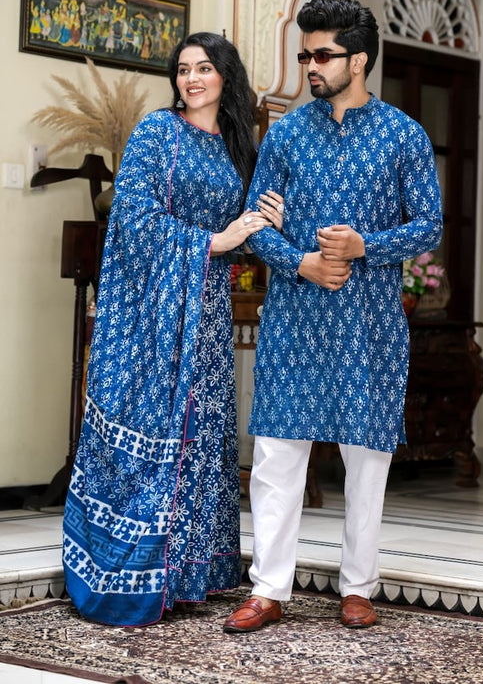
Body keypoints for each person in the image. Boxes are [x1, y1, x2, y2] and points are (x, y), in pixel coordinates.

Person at [223, 0, 442, 633]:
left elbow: (427, 223)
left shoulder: (403, 135)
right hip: (295, 317)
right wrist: (304, 263)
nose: (309, 67)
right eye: (304, 55)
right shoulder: (287, 132)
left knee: (365, 458)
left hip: (368, 323)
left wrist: (364, 246)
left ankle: (358, 586)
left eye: (322, 55)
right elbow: (257, 222)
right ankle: (268, 588)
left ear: (360, 59)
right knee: (277, 454)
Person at [62, 32, 283, 627]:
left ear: (224, 77)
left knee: (202, 430)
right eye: (183, 69)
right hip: (151, 313)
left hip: (206, 309)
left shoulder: (241, 148)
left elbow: (253, 220)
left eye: (204, 68)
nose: (191, 79)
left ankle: (193, 573)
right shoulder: (158, 134)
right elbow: (133, 221)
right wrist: (214, 242)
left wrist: (267, 220)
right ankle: (128, 572)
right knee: (154, 418)